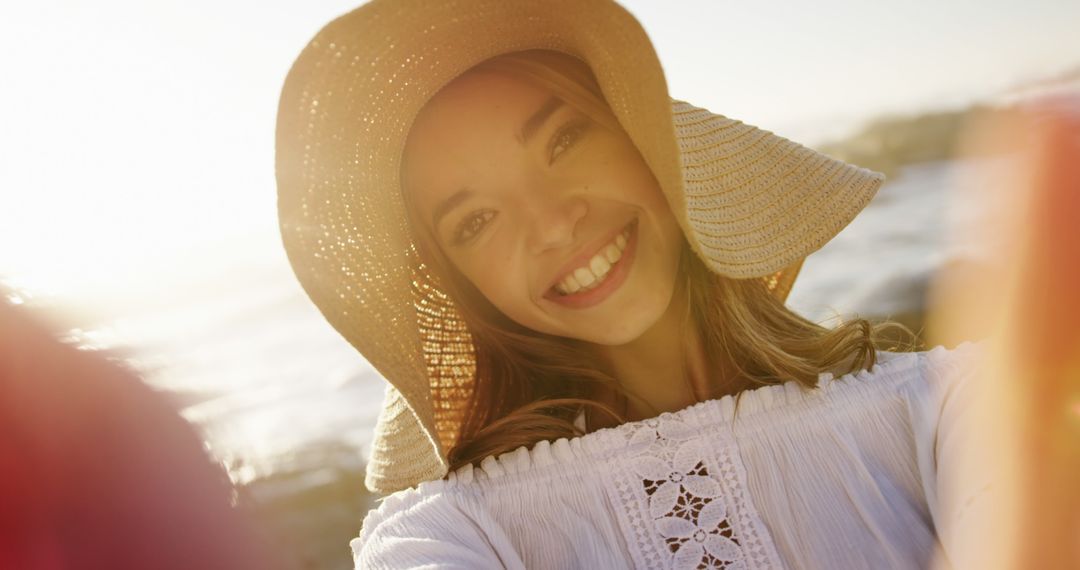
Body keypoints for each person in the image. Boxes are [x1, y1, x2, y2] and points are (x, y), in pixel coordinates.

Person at [275, 0, 987, 568]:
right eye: (477, 220)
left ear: (643, 136)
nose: (551, 227)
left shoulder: (946, 409)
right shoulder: (457, 531)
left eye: (562, 141)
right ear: (467, 290)